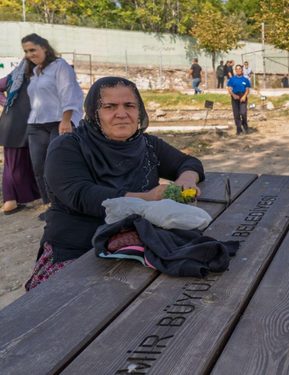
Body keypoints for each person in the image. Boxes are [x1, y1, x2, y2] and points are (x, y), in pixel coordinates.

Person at [24, 77, 205, 291]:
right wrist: (146, 199)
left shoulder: (146, 144)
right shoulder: (67, 147)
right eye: (109, 106)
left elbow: (188, 162)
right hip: (79, 250)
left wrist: (186, 179)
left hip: (140, 243)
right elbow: (81, 195)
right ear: (94, 111)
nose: (121, 114)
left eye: (129, 106)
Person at [22, 33, 83, 220]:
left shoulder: (60, 66)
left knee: (57, 166)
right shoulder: (33, 72)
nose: (30, 54)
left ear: (44, 48)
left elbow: (69, 92)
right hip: (35, 124)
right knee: (39, 167)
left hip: (58, 122)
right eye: (26, 51)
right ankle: (52, 206)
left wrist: (66, 120)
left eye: (33, 49)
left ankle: (68, 205)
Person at [0, 59, 41, 215]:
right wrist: (7, 103)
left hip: (27, 123)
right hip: (15, 124)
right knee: (14, 163)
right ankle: (10, 202)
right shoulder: (18, 76)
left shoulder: (17, 76)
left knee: (21, 162)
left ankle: (19, 198)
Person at [227, 64, 251, 135]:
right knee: (236, 114)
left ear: (242, 70)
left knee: (243, 113)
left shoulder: (245, 80)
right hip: (235, 97)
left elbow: (247, 90)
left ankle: (245, 126)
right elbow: (229, 88)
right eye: (236, 69)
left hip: (242, 96)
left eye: (239, 69)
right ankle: (239, 129)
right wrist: (233, 95)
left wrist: (244, 96)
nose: (238, 70)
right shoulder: (232, 79)